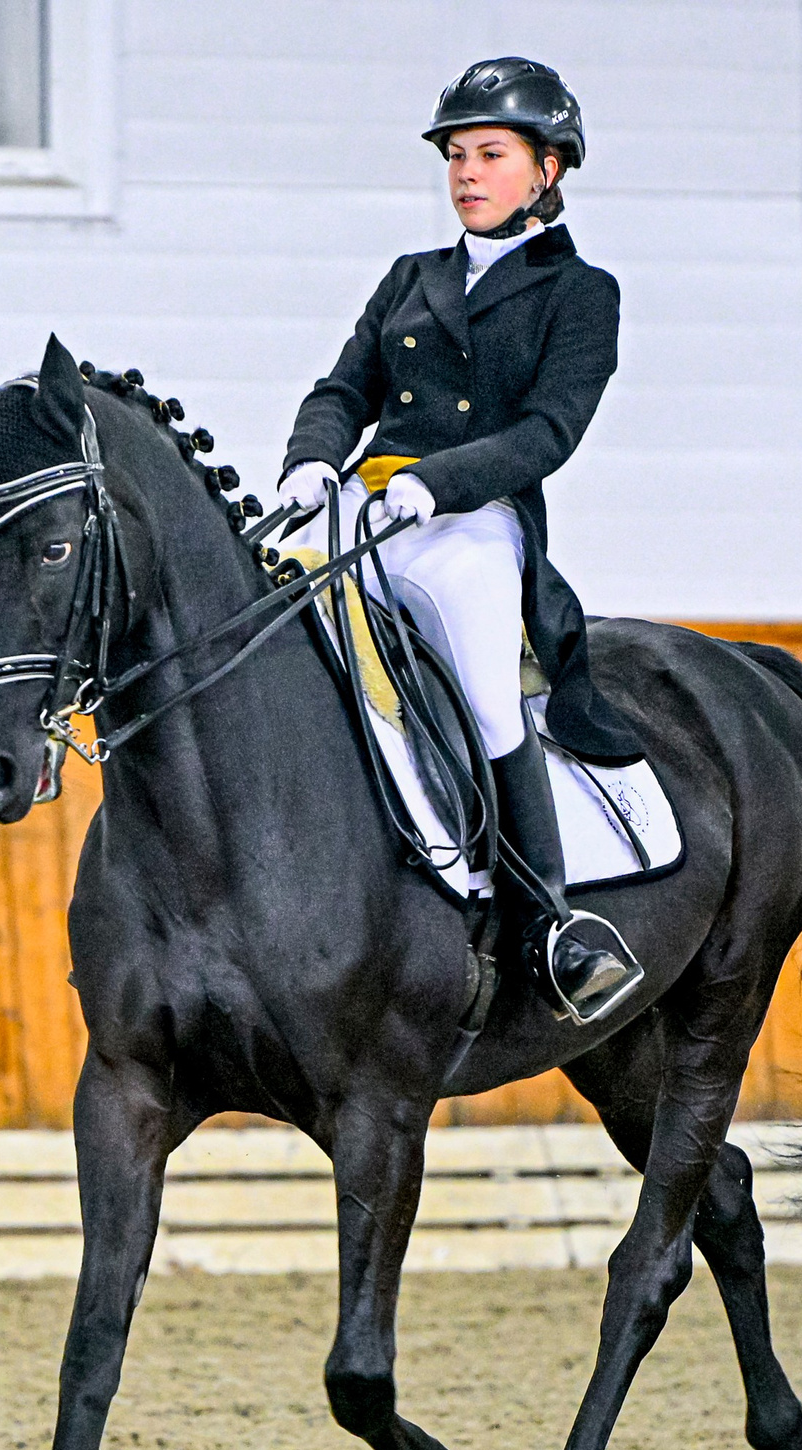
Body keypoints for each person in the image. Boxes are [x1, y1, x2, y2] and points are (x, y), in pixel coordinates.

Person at [277, 56, 645, 1025]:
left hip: (472, 525)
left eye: (488, 153)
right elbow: (341, 388)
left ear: (547, 170)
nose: (465, 173)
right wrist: (310, 460)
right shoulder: (411, 278)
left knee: (487, 696)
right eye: (454, 156)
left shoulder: (581, 294)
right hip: (360, 508)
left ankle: (548, 925)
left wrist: (438, 483)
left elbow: (547, 432)